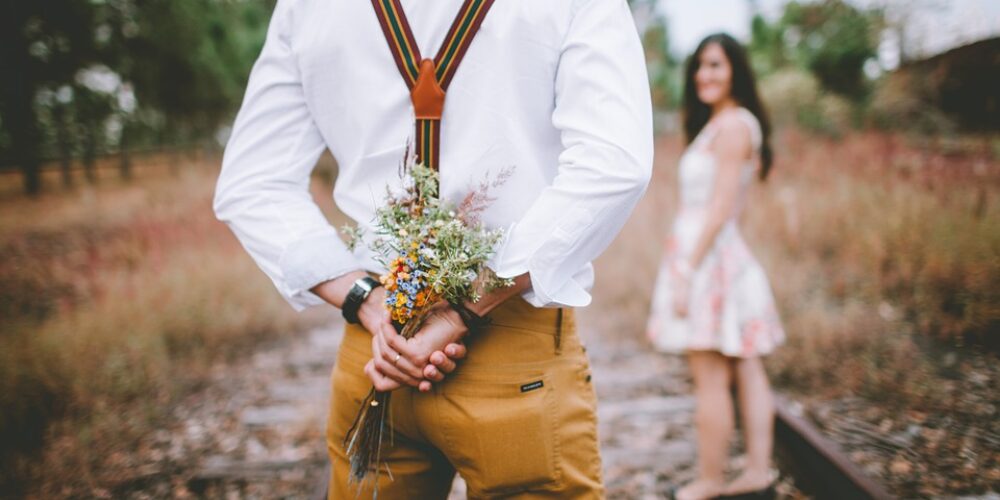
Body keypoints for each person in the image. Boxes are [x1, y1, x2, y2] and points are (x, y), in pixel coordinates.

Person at [213, 0, 653, 497]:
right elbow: (615, 164)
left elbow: (251, 183)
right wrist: (466, 305)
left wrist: (368, 300)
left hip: (378, 354)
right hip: (511, 351)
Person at [645, 33, 786, 500]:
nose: (704, 75)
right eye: (700, 67)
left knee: (711, 374)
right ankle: (757, 472)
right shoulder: (726, 123)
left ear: (735, 71)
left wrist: (688, 268)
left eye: (715, 65)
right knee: (745, 365)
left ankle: (710, 480)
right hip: (716, 254)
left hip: (708, 259)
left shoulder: (732, 127)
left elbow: (722, 207)